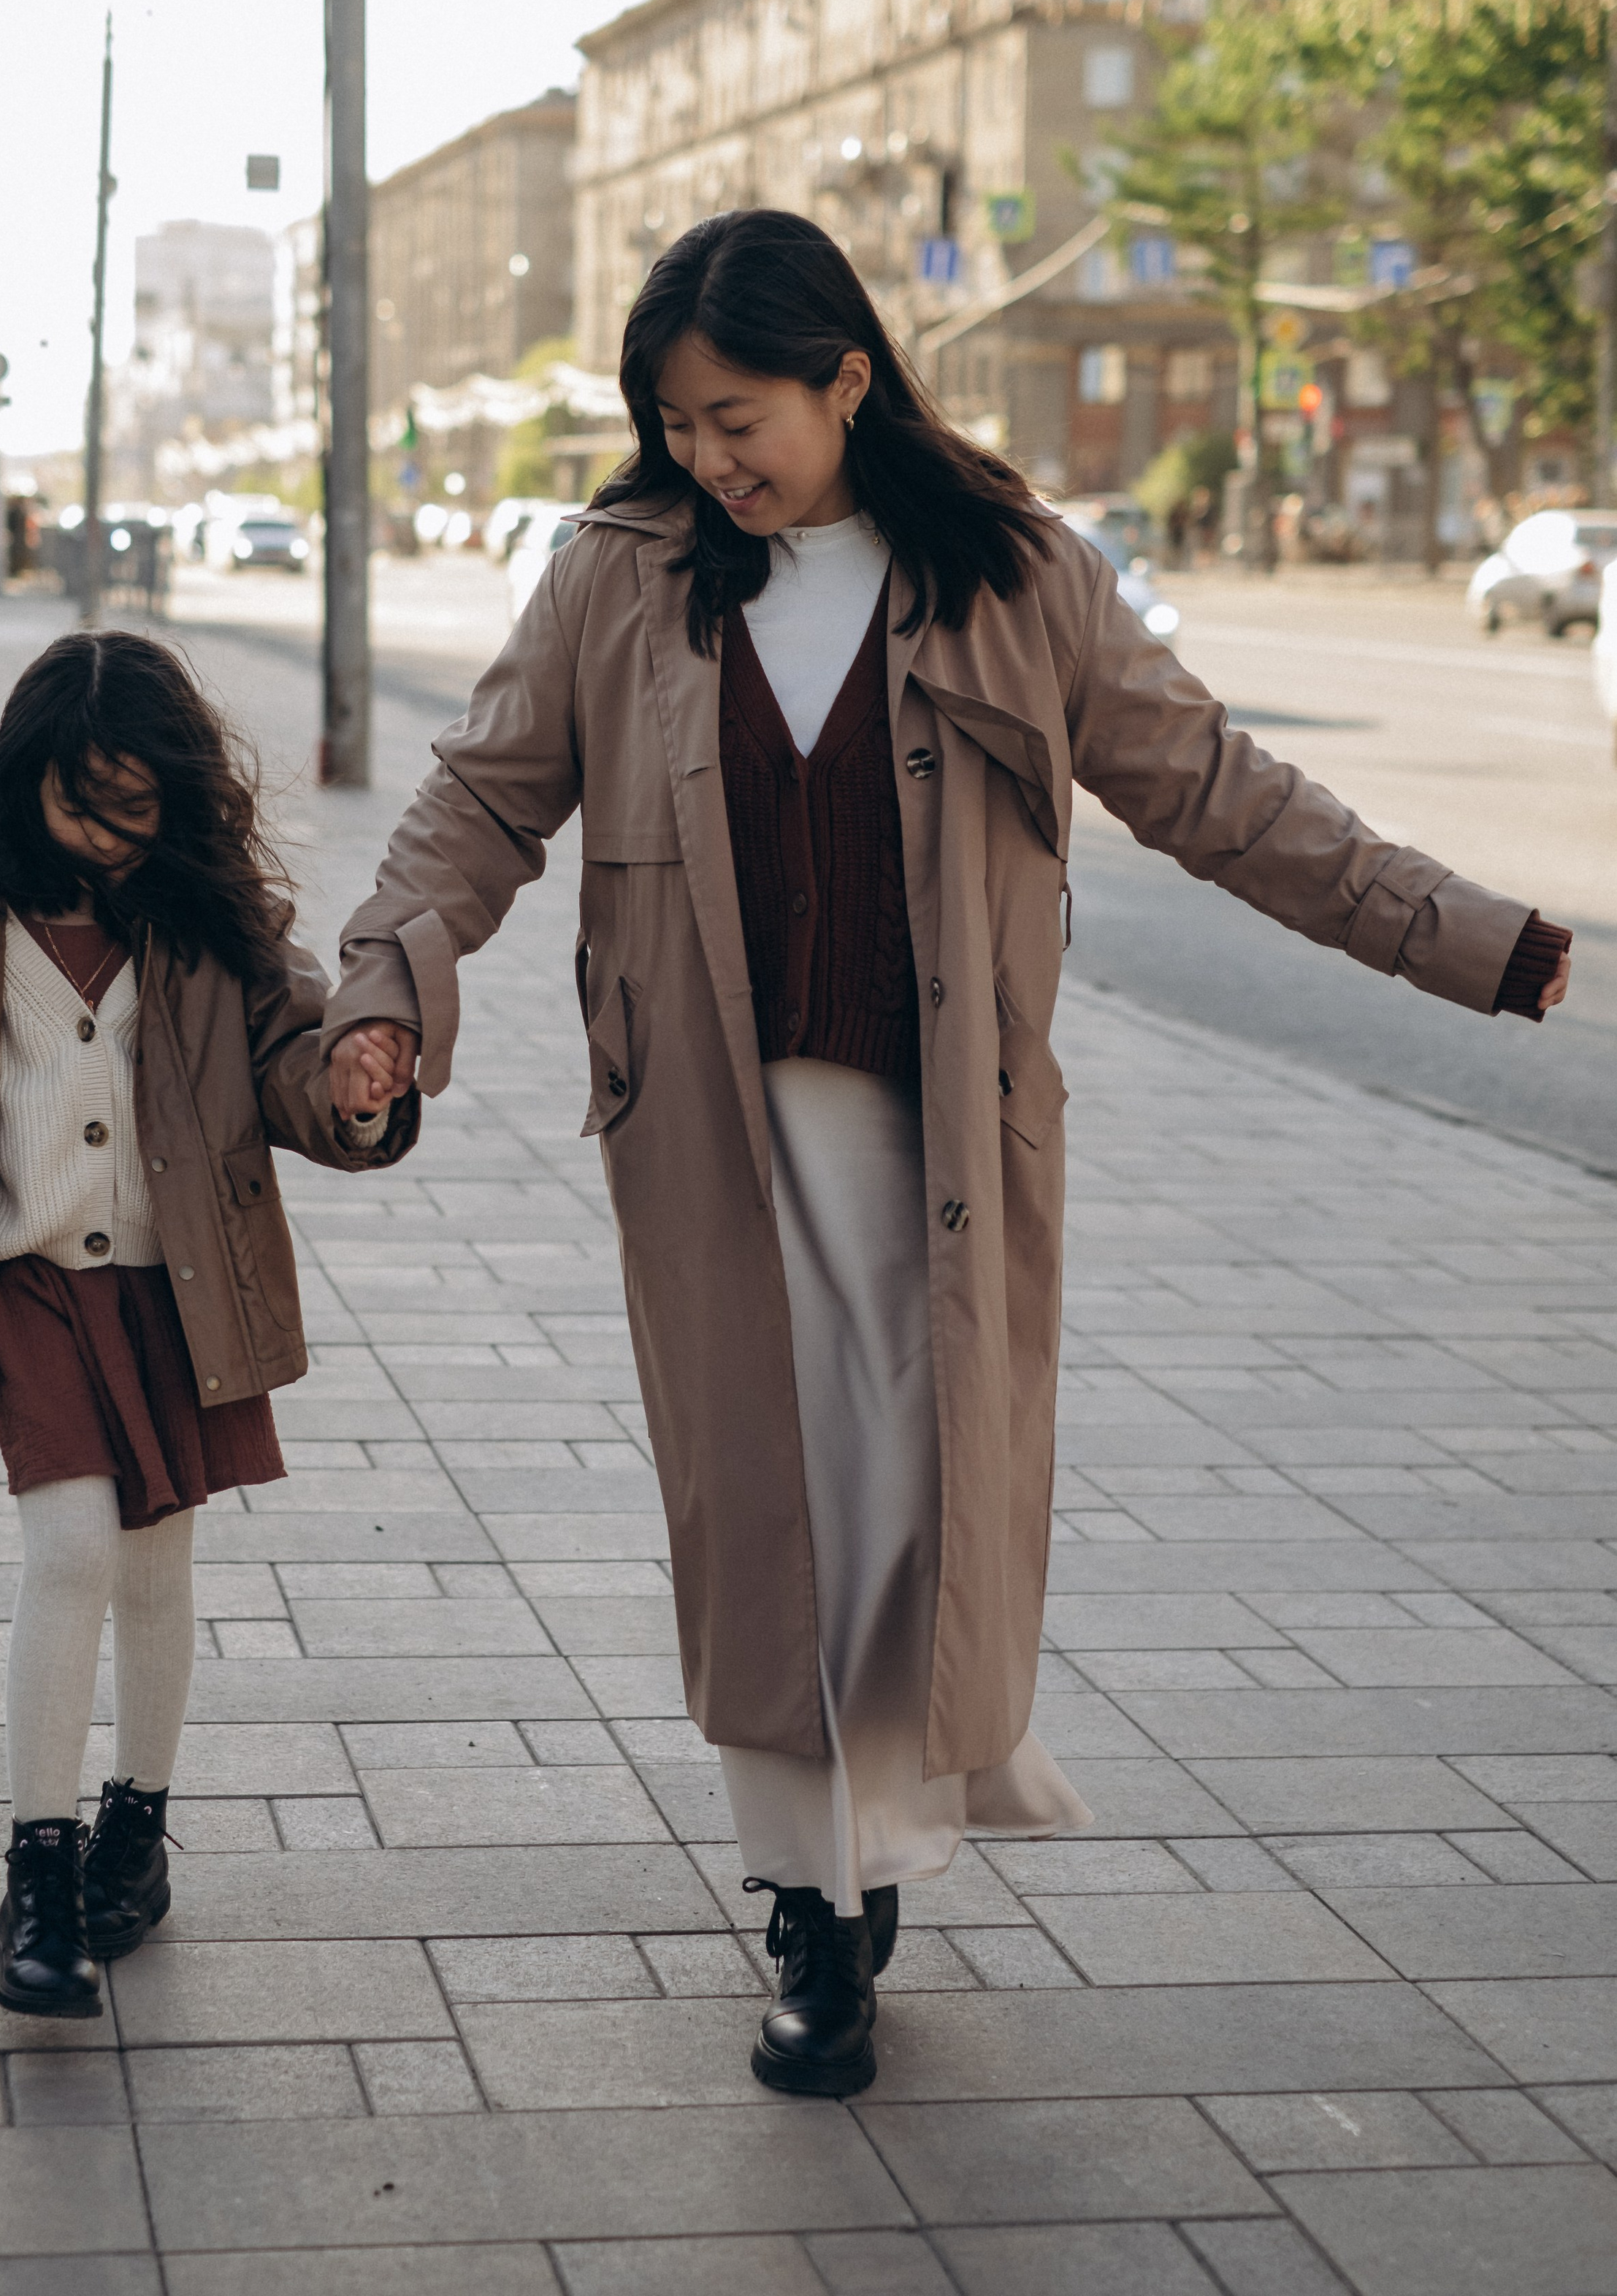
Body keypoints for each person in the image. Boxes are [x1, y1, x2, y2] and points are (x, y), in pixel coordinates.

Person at [321, 209, 1572, 2100]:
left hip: (944, 1156)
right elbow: (483, 797)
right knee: (770, 1516)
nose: (706, 463)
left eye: (736, 417)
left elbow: (1229, 803)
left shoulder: (1015, 579)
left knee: (905, 1516)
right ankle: (814, 1910)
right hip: (717, 1146)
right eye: (675, 426)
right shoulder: (620, 576)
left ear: (847, 377)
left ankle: (868, 1854)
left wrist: (1479, 943)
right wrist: (384, 988)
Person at [0, 632, 417, 2020]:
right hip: (32, 1283)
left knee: (156, 1562)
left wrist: (357, 1088)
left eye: (141, 809)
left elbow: (298, 1077)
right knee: (72, 1547)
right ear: (26, 785)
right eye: (86, 806)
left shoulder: (216, 925)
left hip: (184, 1287)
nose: (115, 838)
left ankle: (139, 1826)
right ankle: (41, 1871)